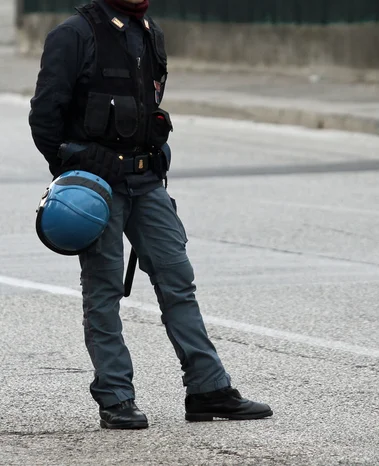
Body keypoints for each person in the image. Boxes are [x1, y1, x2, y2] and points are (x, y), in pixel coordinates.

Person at [29, 0, 273, 429]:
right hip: (98, 189)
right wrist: (75, 168)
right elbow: (44, 118)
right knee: (103, 293)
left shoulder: (149, 32)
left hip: (145, 182)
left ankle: (207, 389)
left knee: (178, 281)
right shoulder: (73, 34)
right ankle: (116, 397)